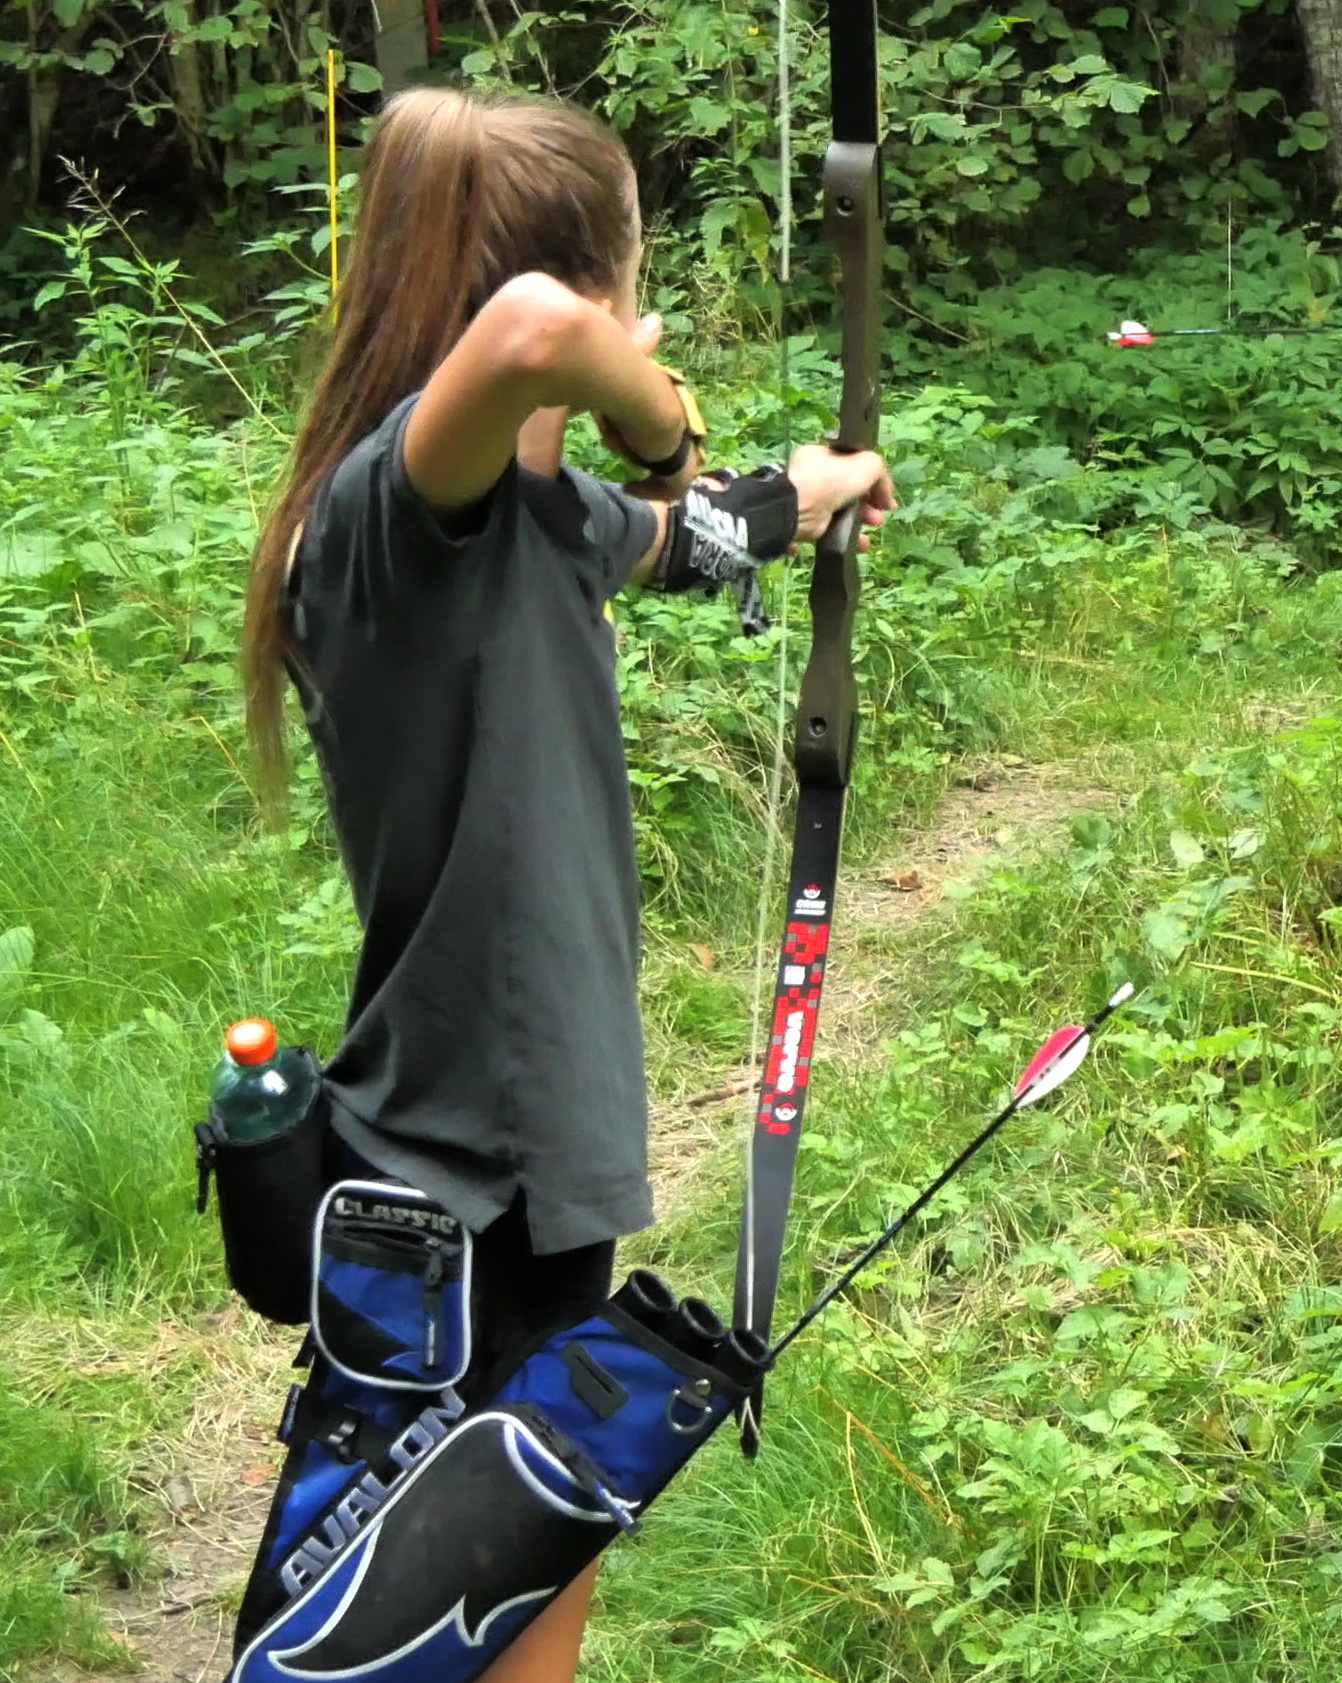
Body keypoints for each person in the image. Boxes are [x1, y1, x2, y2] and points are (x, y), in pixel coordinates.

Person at [236, 85, 896, 1683]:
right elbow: (541, 333)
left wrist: (801, 492)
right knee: (494, 1582)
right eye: (637, 285)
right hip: (481, 1164)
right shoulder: (399, 511)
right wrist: (655, 406)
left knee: (473, 1566)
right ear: (592, 297)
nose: (638, 319)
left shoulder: (513, 518)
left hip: (483, 1152)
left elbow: (678, 538)